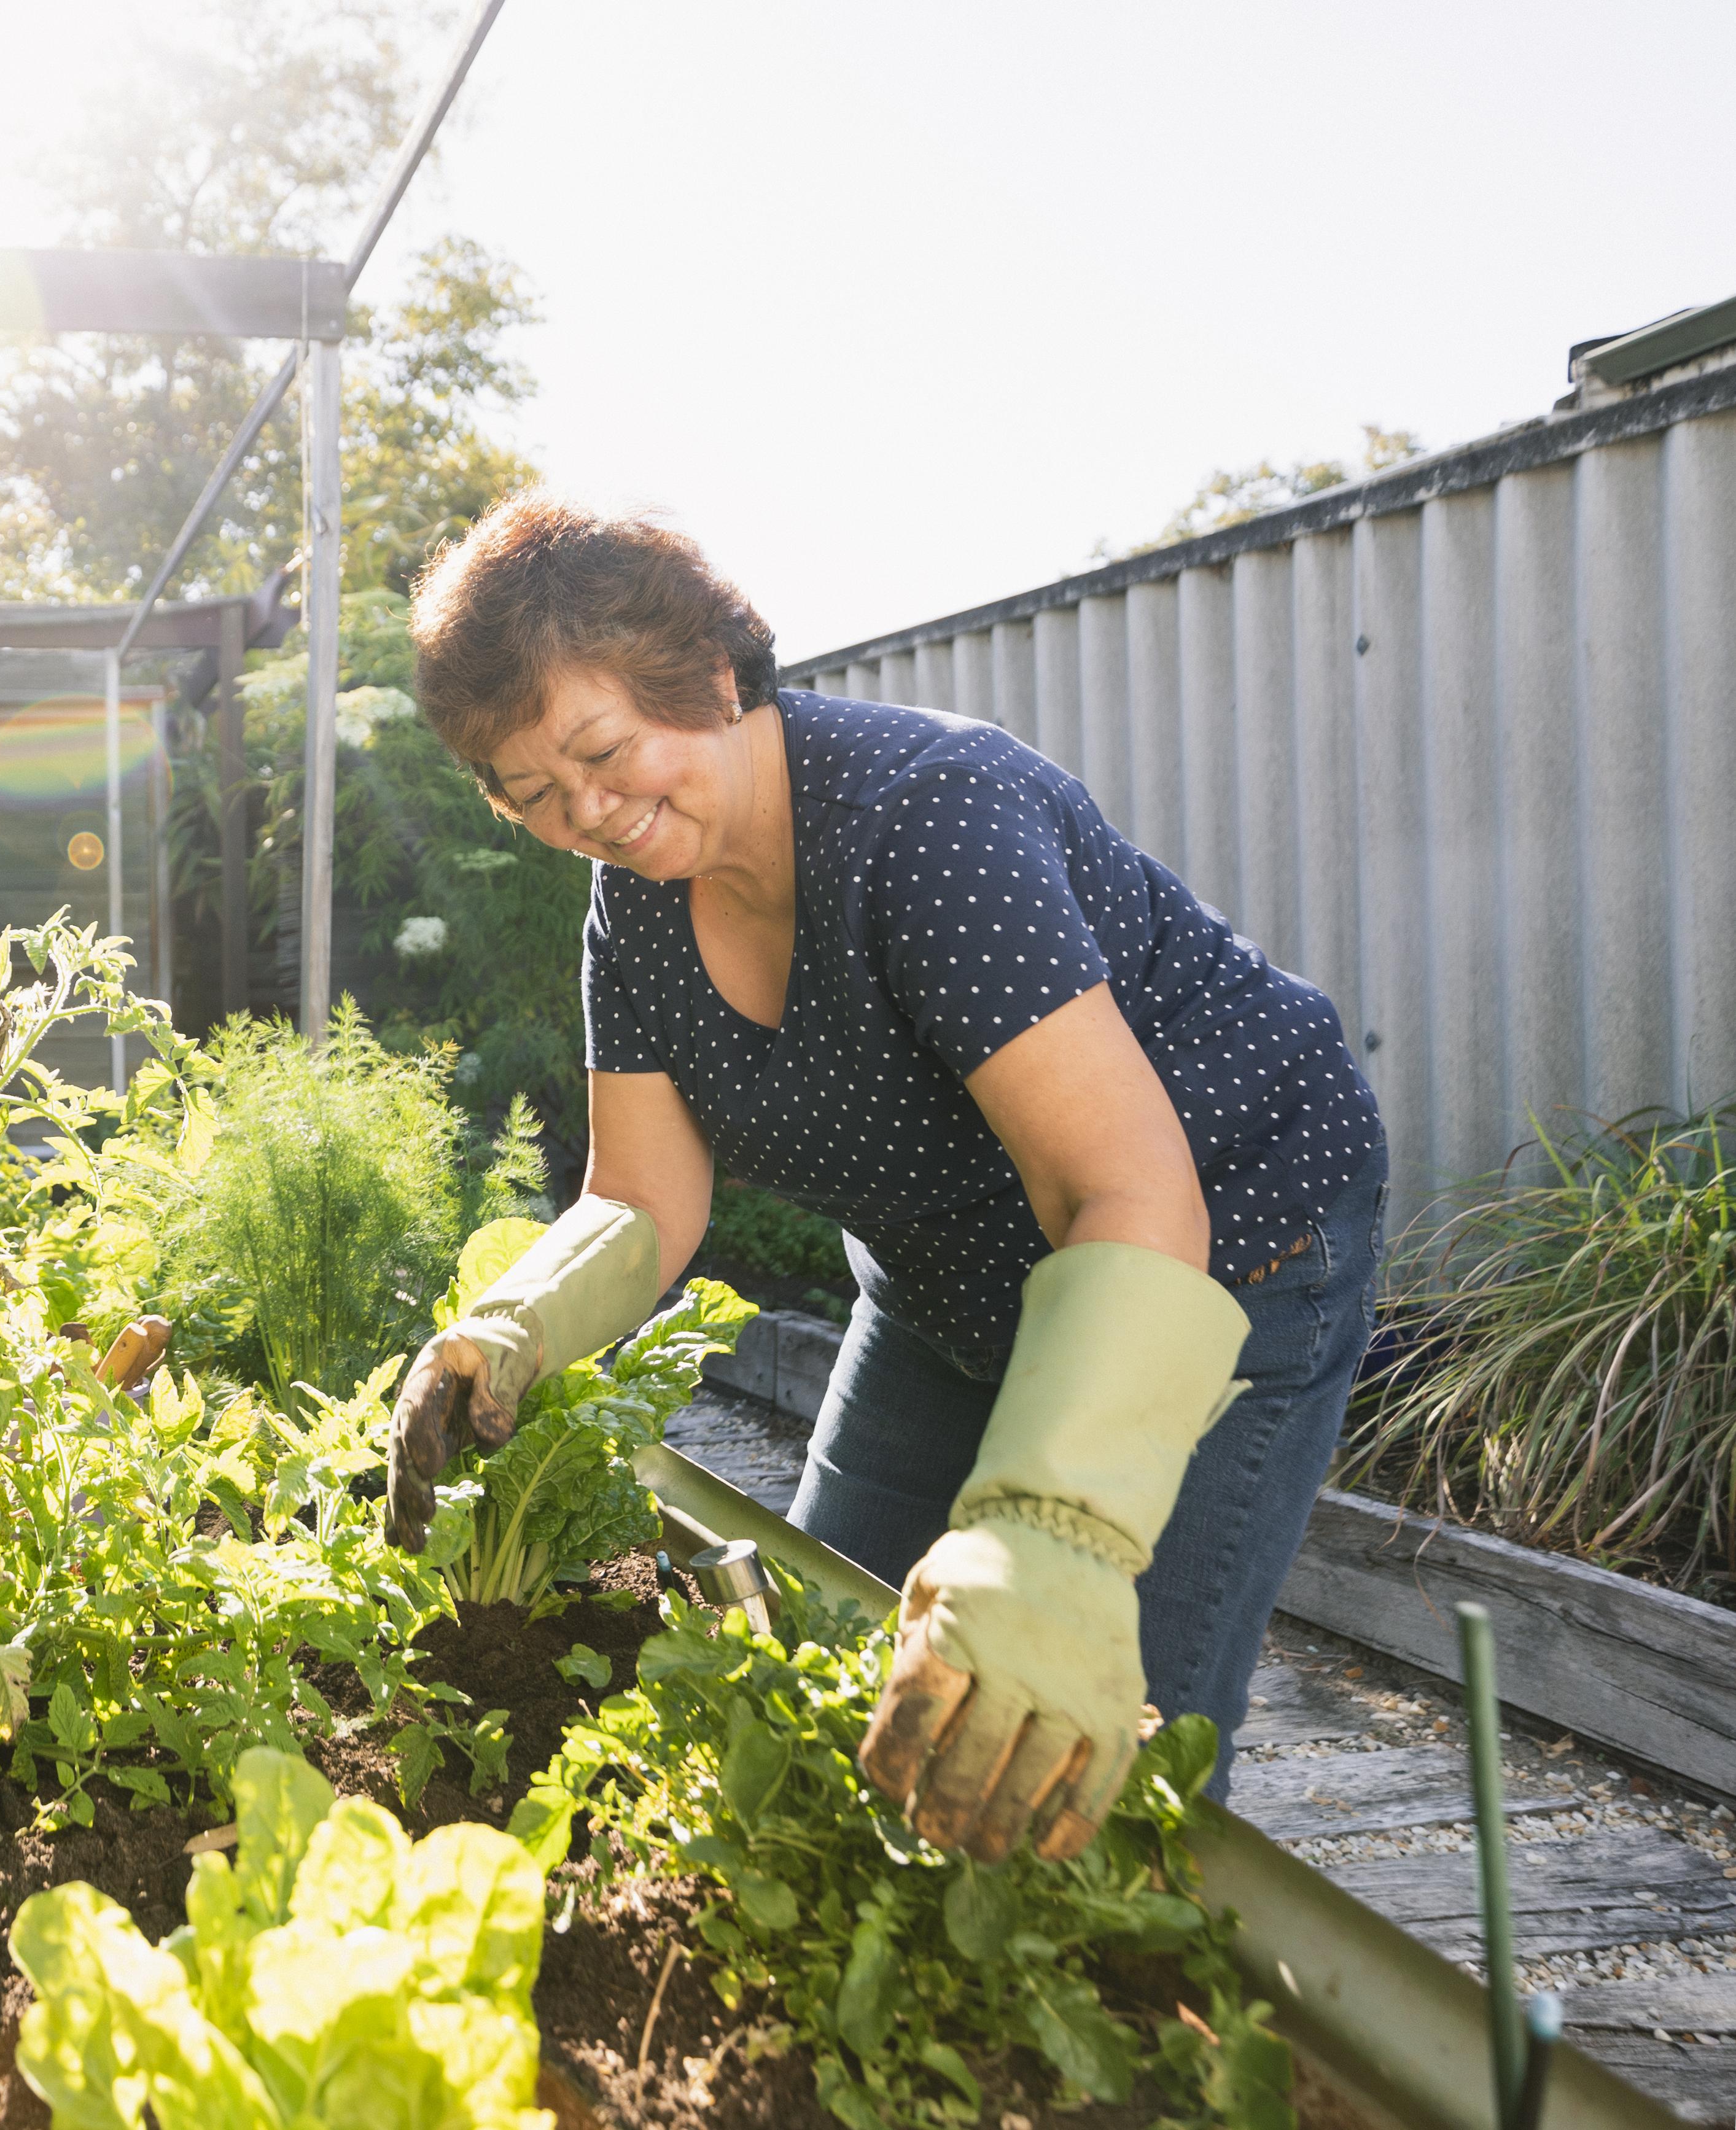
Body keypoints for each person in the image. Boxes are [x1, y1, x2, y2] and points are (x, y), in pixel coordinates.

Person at [383, 493, 1385, 1864]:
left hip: (1221, 1239)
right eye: (534, 798)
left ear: (713, 676)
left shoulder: (928, 824)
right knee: (817, 1667)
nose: (590, 816)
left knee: (1072, 1744)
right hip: (947, 1274)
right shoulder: (635, 906)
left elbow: (1121, 1187)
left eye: (605, 754)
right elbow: (637, 1198)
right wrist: (506, 1329)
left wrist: (1051, 1530)